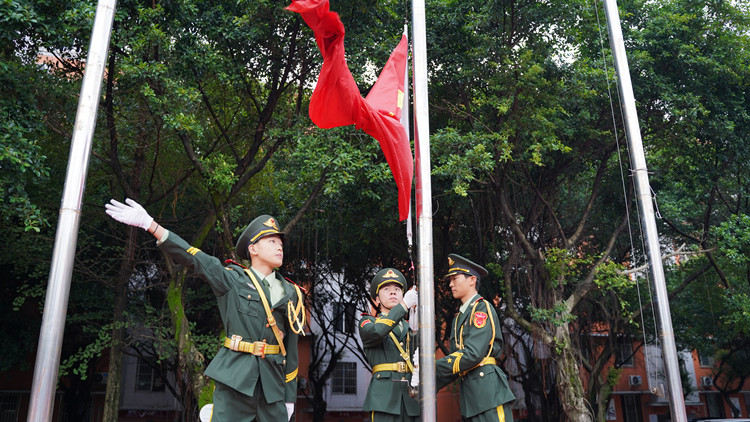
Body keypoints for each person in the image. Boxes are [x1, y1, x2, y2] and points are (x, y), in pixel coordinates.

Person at [105, 198, 305, 422]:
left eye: (280, 242)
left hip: (272, 387)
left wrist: (289, 397)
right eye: (271, 241)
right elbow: (196, 258)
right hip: (235, 381)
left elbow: (292, 351)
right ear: (253, 249)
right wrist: (150, 224)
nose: (279, 246)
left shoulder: (292, 292)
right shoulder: (232, 279)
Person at [435, 254, 515, 422]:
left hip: (489, 394)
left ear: (472, 280)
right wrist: (425, 382)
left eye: (455, 278)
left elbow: (473, 354)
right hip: (471, 398)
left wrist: (431, 368)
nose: (450, 284)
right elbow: (455, 363)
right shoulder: (458, 318)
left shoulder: (481, 309)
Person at [358, 268, 420, 421]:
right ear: (377, 299)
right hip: (383, 399)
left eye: (397, 290)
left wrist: (416, 329)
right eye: (387, 289)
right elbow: (378, 332)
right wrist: (403, 306)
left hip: (411, 399)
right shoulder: (368, 322)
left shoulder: (409, 326)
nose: (393, 293)